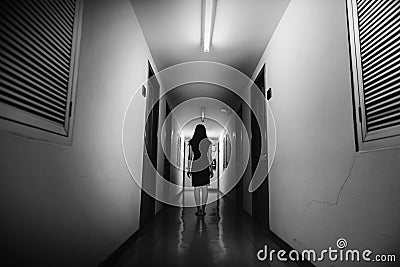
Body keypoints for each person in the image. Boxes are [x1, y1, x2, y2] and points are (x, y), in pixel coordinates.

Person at [187, 124, 213, 216]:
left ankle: (198, 209)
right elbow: (209, 157)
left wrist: (189, 169)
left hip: (196, 165)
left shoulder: (192, 142)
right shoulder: (208, 142)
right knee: (205, 188)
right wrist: (211, 169)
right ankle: (204, 209)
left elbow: (190, 157)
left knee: (197, 188)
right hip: (205, 165)